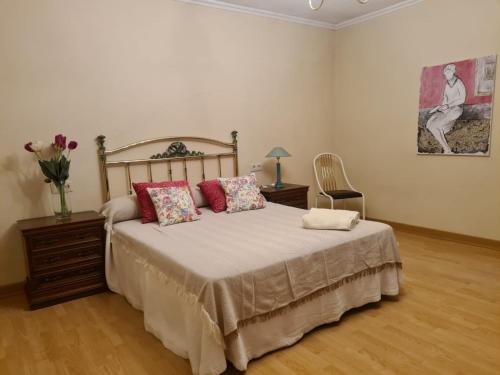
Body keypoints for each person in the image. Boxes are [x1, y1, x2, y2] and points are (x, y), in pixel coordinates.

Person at [426, 64, 466, 154]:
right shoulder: (447, 85)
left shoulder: (459, 83)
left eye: (448, 74)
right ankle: (445, 128)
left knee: (434, 126)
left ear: (453, 72)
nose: (446, 76)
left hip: (456, 109)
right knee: (429, 123)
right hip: (447, 109)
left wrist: (449, 105)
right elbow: (445, 98)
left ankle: (447, 150)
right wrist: (442, 107)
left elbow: (462, 99)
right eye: (445, 74)